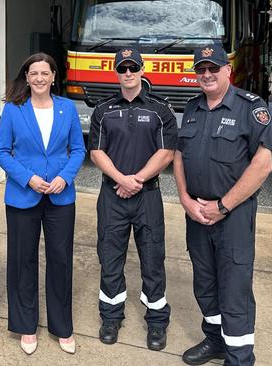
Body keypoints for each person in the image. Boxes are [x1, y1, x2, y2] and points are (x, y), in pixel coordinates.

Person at [173, 44, 272, 366]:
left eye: (213, 68)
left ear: (227, 70)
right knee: (205, 283)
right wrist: (186, 200)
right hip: (197, 215)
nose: (206, 74)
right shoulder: (191, 108)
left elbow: (263, 163)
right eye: (200, 69)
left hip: (233, 216)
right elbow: (179, 155)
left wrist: (224, 206)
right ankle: (215, 341)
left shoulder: (250, 108)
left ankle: (240, 357)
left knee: (234, 288)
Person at [0, 53, 86, 355]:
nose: (39, 79)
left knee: (60, 261)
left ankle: (62, 327)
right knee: (23, 261)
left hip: (60, 196)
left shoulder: (67, 108)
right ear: (26, 76)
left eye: (44, 73)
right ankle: (26, 326)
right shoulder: (13, 110)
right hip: (24, 195)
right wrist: (28, 178)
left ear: (54, 76)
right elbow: (2, 152)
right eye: (33, 73)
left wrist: (65, 177)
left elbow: (78, 150)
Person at [87, 47, 178, 350]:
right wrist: (121, 180)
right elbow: (96, 152)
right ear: (116, 73)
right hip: (112, 195)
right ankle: (111, 317)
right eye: (122, 68)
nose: (128, 73)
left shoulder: (159, 109)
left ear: (142, 70)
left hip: (147, 196)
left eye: (133, 68)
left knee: (153, 259)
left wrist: (136, 180)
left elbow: (166, 152)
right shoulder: (103, 110)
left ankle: (156, 322)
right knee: (110, 257)